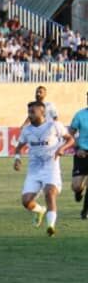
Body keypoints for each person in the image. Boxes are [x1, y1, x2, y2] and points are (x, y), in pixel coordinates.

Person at [13, 100, 74, 236]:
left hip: (51, 167)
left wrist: (62, 148)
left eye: (32, 112)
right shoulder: (27, 130)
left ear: (42, 112)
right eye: (29, 112)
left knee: (49, 193)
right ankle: (40, 210)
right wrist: (17, 159)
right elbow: (19, 147)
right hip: (34, 170)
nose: (30, 115)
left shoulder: (54, 125)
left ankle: (51, 227)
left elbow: (70, 139)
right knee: (26, 201)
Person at [65, 90, 88, 220]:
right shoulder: (80, 115)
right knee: (76, 186)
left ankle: (85, 211)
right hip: (82, 154)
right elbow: (70, 134)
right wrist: (77, 148)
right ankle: (79, 192)